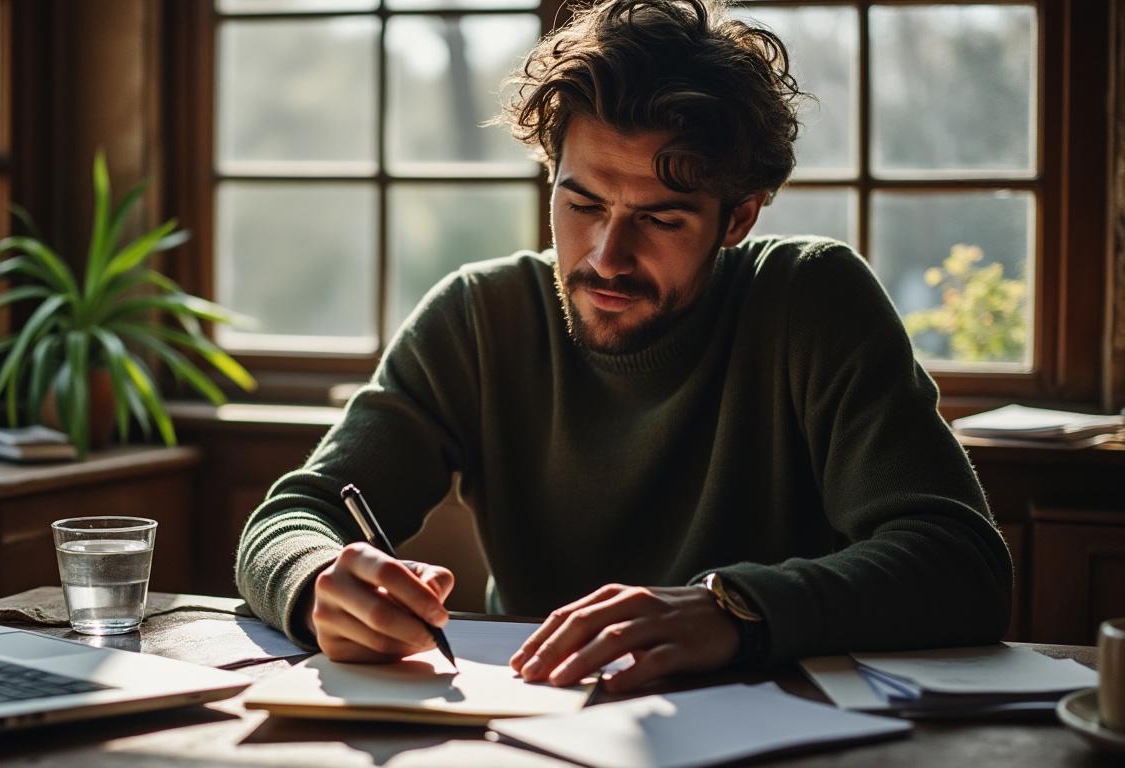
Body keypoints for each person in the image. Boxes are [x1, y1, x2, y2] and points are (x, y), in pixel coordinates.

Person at [235, 0, 1012, 693]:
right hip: (528, 728)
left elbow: (961, 563)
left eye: (662, 219)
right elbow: (292, 516)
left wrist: (734, 611)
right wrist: (317, 583)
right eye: (581, 203)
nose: (607, 256)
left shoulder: (811, 300)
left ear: (738, 217)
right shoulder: (480, 316)